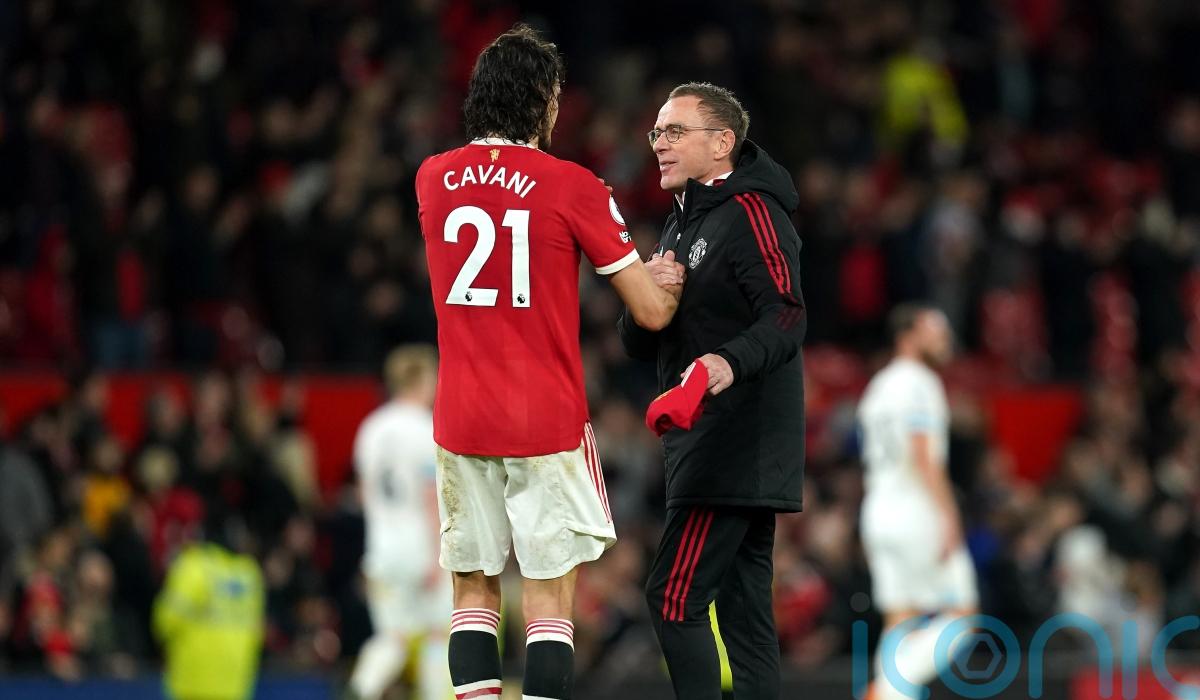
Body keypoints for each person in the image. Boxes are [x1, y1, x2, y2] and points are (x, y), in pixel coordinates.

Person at [413, 24, 681, 700]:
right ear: (540, 100)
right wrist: (668, 279)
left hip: (461, 416)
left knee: (472, 589)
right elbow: (650, 312)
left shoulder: (433, 177)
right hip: (544, 416)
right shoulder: (571, 185)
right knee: (548, 596)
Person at [618, 82, 807, 699]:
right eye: (657, 132)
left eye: (675, 131)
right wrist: (647, 294)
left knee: (672, 598)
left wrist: (725, 363)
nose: (659, 143)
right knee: (744, 615)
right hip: (709, 443)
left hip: (732, 440)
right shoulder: (681, 223)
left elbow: (787, 314)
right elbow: (639, 342)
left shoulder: (752, 211)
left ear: (723, 142)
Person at [857, 304, 979, 700]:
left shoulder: (878, 386)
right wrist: (949, 514)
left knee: (901, 618)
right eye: (934, 330)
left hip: (879, 510)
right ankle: (886, 690)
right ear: (907, 336)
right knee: (963, 616)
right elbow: (923, 456)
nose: (945, 339)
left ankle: (890, 692)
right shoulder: (920, 382)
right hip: (915, 510)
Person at [347, 345, 451, 700]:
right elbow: (429, 497)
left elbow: (364, 494)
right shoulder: (425, 428)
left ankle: (360, 690)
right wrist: (436, 555)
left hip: (383, 550)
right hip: (421, 548)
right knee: (438, 634)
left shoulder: (371, 428)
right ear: (421, 379)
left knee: (392, 637)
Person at [153, 517, 264, 700]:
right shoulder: (249, 573)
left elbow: (164, 621)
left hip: (192, 682)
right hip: (235, 684)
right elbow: (257, 629)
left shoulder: (194, 566)